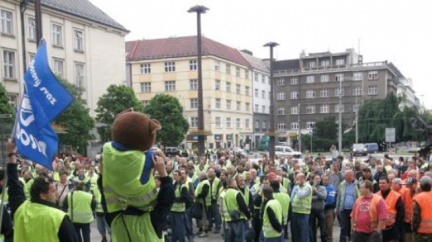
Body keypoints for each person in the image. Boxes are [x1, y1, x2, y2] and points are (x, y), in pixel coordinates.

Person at [6, 140, 78, 241]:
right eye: (53, 191)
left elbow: (13, 183)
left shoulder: (20, 209)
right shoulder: (60, 218)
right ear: (43, 195)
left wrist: (11, 154)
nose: (57, 193)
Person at [376, 176, 404, 242]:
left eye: (383, 183)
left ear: (389, 184)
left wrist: (397, 227)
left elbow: (401, 213)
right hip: (379, 228)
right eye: (380, 183)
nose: (381, 185)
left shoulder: (396, 196)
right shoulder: (376, 195)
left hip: (392, 228)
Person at [336, 170, 360, 242]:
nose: (344, 176)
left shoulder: (357, 184)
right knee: (343, 227)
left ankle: (352, 239)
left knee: (353, 227)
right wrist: (337, 208)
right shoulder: (342, 184)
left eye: (346, 175)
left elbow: (360, 196)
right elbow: (339, 197)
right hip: (343, 209)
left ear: (351, 176)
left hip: (354, 210)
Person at [170, 170, 191, 242]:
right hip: (172, 210)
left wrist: (176, 200)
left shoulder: (183, 186)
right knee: (173, 228)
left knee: (180, 228)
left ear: (179, 176)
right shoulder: (174, 184)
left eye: (176, 175)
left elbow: (186, 198)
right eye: (173, 175)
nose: (174, 176)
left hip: (179, 211)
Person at [291, 172, 312, 242]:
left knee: (303, 234)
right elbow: (292, 197)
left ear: (303, 179)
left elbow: (301, 196)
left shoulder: (308, 187)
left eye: (297, 179)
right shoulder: (298, 187)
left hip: (303, 213)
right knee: (296, 233)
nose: (296, 180)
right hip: (295, 212)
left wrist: (296, 187)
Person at [412, 176, 432, 242]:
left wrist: (414, 229)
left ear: (420, 185)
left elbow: (416, 217)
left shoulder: (418, 198)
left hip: (421, 232)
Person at [309, 173, 327, 242]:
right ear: (313, 179)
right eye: (316, 178)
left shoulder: (322, 188)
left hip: (320, 210)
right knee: (312, 228)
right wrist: (318, 197)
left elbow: (324, 197)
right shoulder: (310, 187)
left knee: (323, 228)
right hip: (312, 210)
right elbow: (309, 198)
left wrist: (316, 192)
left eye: (319, 178)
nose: (318, 180)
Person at [195, 172, 211, 237]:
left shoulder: (205, 183)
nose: (198, 177)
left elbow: (204, 193)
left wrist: (197, 196)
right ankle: (201, 229)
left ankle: (205, 231)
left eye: (199, 175)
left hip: (205, 203)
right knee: (201, 217)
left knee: (204, 218)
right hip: (201, 202)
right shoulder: (202, 182)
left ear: (202, 176)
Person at [403, 178, 418, 242]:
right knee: (407, 237)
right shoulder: (406, 191)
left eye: (412, 185)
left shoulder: (420, 192)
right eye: (409, 185)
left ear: (416, 184)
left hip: (416, 221)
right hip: (406, 220)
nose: (410, 186)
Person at [208, 167, 222, 233]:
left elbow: (220, 191)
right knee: (209, 214)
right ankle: (209, 226)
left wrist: (217, 200)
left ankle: (217, 227)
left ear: (214, 173)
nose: (210, 173)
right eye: (209, 171)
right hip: (207, 200)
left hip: (214, 200)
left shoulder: (217, 180)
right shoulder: (206, 180)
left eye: (212, 171)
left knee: (216, 215)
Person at [323, 174, 336, 242]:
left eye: (326, 180)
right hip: (322, 210)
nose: (325, 181)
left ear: (329, 180)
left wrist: (322, 205)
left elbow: (330, 200)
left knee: (329, 227)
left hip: (329, 210)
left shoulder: (331, 188)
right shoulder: (322, 187)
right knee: (323, 227)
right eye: (324, 180)